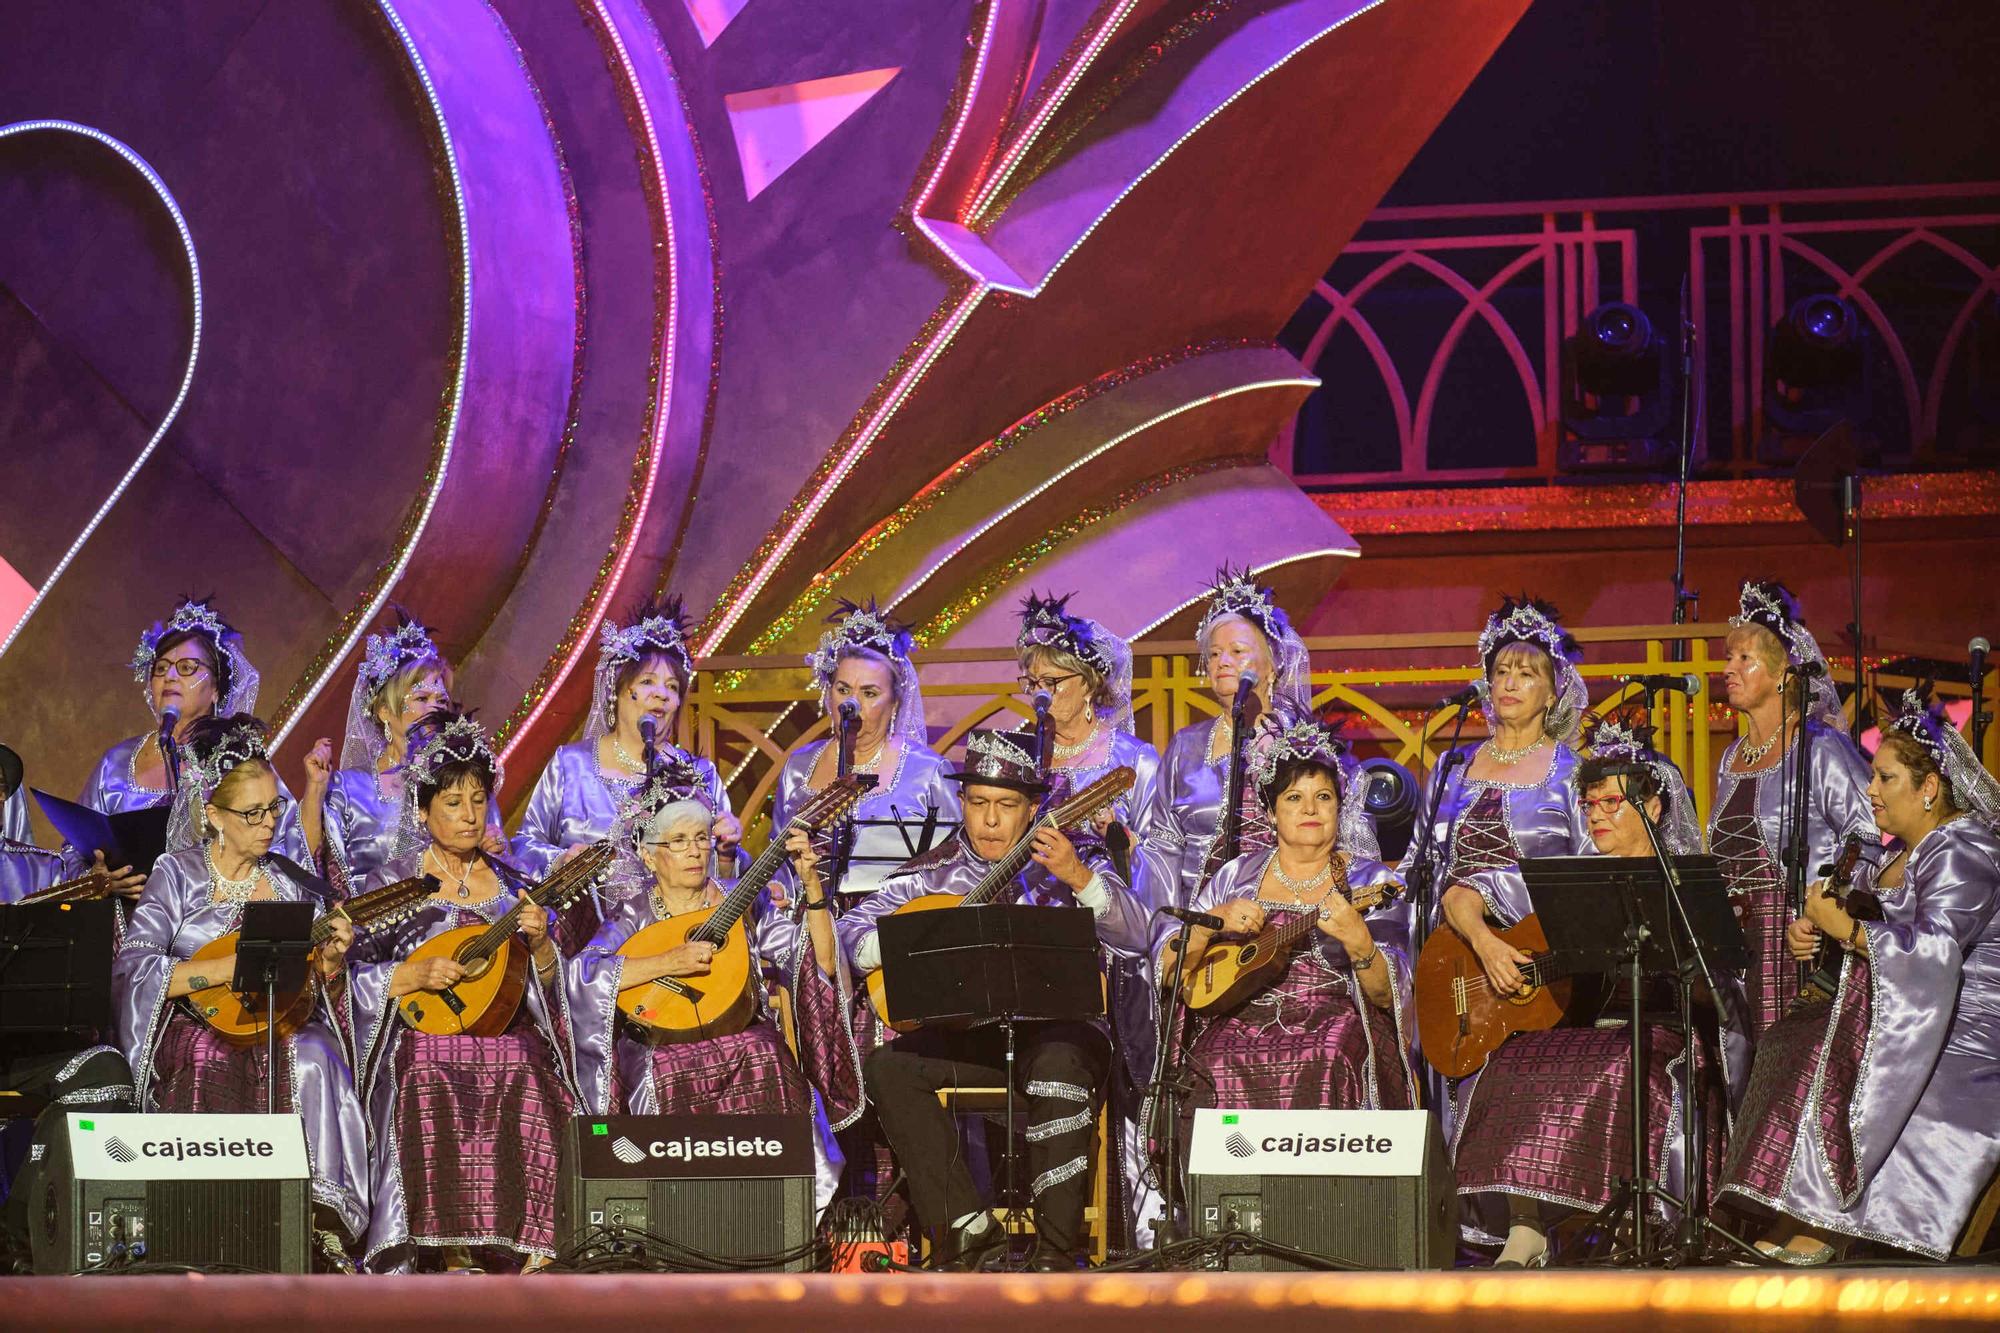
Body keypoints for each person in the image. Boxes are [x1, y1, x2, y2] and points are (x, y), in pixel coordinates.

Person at [838, 731, 1152, 1271]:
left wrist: (1076, 877)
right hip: (969, 1034)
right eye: (977, 803)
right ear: (961, 803)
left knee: (1060, 1064)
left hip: (1057, 1031)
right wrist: (913, 942)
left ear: (1033, 809)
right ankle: (968, 1228)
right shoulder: (930, 872)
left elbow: (1138, 935)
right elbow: (853, 930)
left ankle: (1055, 1249)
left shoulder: (1070, 862)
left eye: (1006, 806)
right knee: (890, 1067)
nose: (988, 820)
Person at [1714, 691, 2000, 1264]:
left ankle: (1826, 1218)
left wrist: (1844, 929)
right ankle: (1793, 1204)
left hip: (1963, 1027)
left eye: (1885, 777)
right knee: (1792, 1036)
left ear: (1928, 789)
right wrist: (1816, 933)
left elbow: (1936, 951)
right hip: (1904, 1009)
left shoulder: (1964, 849)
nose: (1870, 790)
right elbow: (1870, 924)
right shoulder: (1903, 850)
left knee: (1827, 1044)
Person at [1443, 721, 1726, 1268]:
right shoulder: (1569, 875)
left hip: (1657, 1030)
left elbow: (1717, 990)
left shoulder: (1685, 881)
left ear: (1654, 808)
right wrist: (1487, 945)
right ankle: (1526, 1228)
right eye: (1589, 803)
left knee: (1619, 1062)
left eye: (1612, 803)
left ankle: (1639, 1223)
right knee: (1513, 1060)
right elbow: (1462, 891)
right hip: (1583, 1034)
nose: (1595, 814)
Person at [112, 715, 368, 1270]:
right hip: (197, 1021)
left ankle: (310, 1223)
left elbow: (318, 981)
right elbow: (135, 965)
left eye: (274, 808)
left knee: (314, 1057)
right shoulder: (177, 873)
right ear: (213, 817)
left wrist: (329, 958)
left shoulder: (291, 879)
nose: (269, 824)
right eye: (252, 814)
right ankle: (202, 1220)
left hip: (278, 1018)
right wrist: (224, 969)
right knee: (208, 1056)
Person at [344, 710, 581, 1272]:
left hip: (505, 1027)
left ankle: (535, 1242)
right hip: (424, 1029)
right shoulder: (392, 884)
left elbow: (552, 980)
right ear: (423, 811)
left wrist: (543, 943)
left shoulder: (515, 882)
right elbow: (348, 974)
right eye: (453, 803)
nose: (470, 815)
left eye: (478, 800)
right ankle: (445, 1243)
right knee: (425, 1065)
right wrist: (410, 977)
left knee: (526, 1061)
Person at [568, 767, 857, 1209]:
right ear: (648, 856)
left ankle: (776, 1211)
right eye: (678, 842)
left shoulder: (741, 899)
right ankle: (675, 1214)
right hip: (660, 1039)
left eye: (701, 838)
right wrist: (666, 962)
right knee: (657, 1070)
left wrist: (812, 886)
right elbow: (583, 973)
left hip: (741, 1032)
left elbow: (815, 959)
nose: (694, 852)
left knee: (767, 1055)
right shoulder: (632, 913)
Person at [1156, 720, 1412, 1156]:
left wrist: (1360, 943)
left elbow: (1390, 996)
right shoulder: (1237, 874)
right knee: (1215, 1060)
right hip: (1240, 1016)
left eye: (1323, 797)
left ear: (1339, 809)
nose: (1310, 808)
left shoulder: (1370, 879)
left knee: (1328, 1056)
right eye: (1294, 798)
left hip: (1332, 1019)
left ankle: (1320, 1209)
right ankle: (1225, 1214)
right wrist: (1208, 922)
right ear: (1272, 812)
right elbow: (1168, 970)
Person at [1400, 595, 1591, 1132]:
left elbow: (1586, 871)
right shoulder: (1453, 766)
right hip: (1452, 956)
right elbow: (1419, 861)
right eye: (1500, 671)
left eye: (1526, 674)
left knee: (1518, 1107)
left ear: (1553, 690)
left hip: (1532, 960)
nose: (1508, 683)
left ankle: (1519, 1212)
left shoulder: (1570, 772)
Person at [1710, 580, 1877, 1080]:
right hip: (1734, 951)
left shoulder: (1819, 747)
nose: (1729, 669)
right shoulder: (1729, 758)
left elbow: (1867, 838)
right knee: (1739, 1081)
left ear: (1785, 674)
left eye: (1745, 659)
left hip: (1796, 948)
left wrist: (1823, 913)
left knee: (1786, 1084)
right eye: (1729, 659)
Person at [1140, 566, 1357, 914]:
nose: (1222, 662)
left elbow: (1353, 841)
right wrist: (1172, 936)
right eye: (1213, 654)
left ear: (1272, 666)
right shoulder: (1186, 747)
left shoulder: (1308, 744)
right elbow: (1164, 848)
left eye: (1237, 651)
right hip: (1204, 929)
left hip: (1289, 920)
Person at [512, 600, 738, 922]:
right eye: (647, 682)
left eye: (672, 687)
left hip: (678, 934)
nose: (661, 694)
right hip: (584, 939)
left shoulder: (699, 775)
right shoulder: (571, 765)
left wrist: (728, 852)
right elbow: (523, 846)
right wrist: (561, 861)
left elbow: (722, 877)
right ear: (617, 690)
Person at [71, 599, 302, 900]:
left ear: (217, 687)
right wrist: (95, 879)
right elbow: (72, 849)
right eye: (161, 668)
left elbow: (285, 846)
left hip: (208, 930)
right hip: (116, 928)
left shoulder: (237, 761)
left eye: (187, 667)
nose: (170, 676)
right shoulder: (115, 761)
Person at [772, 598, 958, 900]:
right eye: (843, 690)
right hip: (807, 924)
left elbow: (954, 864)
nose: (852, 705)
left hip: (892, 924)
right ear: (828, 693)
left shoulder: (928, 772)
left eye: (869, 693)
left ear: (895, 702)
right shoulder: (798, 766)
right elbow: (779, 864)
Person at [300, 614, 482, 895]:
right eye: (421, 699)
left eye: (441, 700)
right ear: (384, 711)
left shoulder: (463, 780)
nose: (434, 710)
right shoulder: (349, 789)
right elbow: (314, 867)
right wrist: (315, 791)